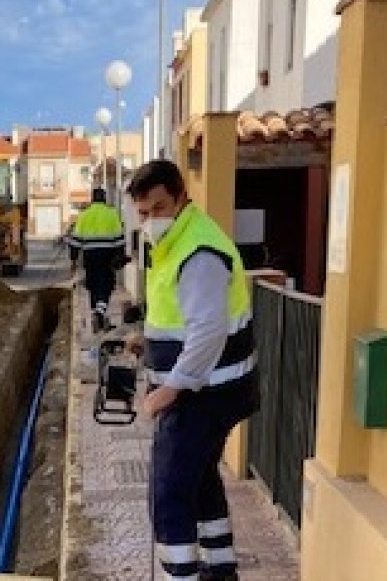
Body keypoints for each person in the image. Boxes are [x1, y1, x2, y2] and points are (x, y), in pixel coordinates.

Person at [125, 160, 259, 581]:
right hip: (217, 391)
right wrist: (148, 342)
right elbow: (184, 318)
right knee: (200, 484)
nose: (151, 221)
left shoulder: (198, 252)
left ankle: (180, 575)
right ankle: (220, 572)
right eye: (144, 213)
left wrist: (171, 388)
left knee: (169, 495)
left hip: (204, 395)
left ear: (181, 196)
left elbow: (207, 332)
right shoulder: (180, 239)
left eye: (159, 209)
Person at [64, 187, 126, 332]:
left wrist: (73, 259)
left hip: (90, 255)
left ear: (92, 199)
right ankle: (99, 314)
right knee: (106, 285)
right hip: (107, 255)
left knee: (92, 285)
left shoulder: (84, 215)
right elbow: (119, 239)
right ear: (105, 199)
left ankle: (96, 316)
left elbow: (76, 240)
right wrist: (120, 255)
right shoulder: (112, 214)